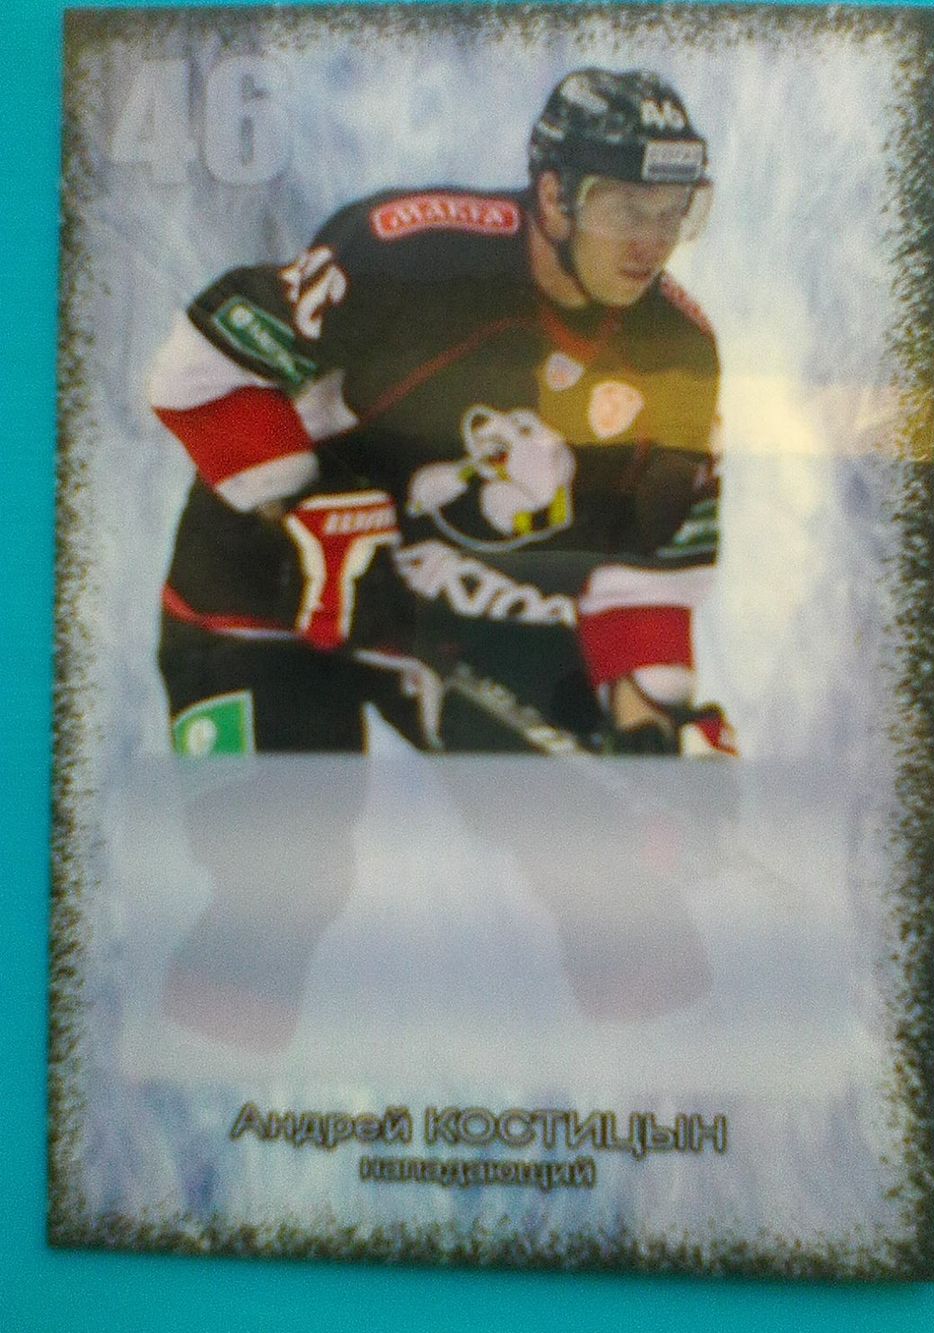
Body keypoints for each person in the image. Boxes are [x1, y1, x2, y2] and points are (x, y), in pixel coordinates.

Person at [149, 68, 735, 1046]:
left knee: (622, 877)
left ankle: (659, 1098)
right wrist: (299, 506)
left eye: (675, 211)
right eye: (624, 206)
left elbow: (641, 573)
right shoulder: (405, 253)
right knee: (277, 880)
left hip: (445, 615)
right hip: (257, 594)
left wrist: (652, 726)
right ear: (553, 194)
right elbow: (197, 373)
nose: (651, 239)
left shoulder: (679, 349)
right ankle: (205, 1099)